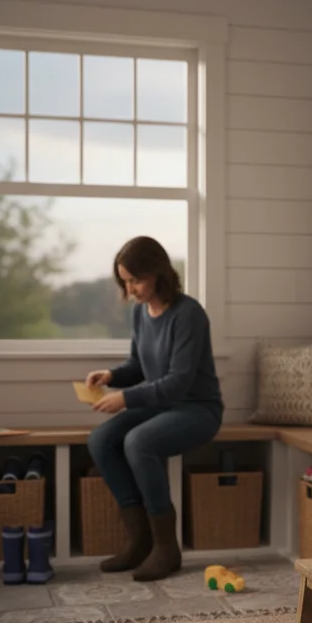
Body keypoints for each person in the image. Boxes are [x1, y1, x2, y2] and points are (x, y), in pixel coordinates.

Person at [85, 236, 224, 582]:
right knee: (101, 440)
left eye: (135, 280)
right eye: (125, 281)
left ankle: (166, 547)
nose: (130, 289)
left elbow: (177, 381)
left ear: (158, 273)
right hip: (160, 407)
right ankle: (140, 540)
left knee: (139, 442)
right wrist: (113, 376)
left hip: (197, 410)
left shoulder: (188, 313)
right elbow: (139, 365)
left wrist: (126, 398)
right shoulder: (140, 312)